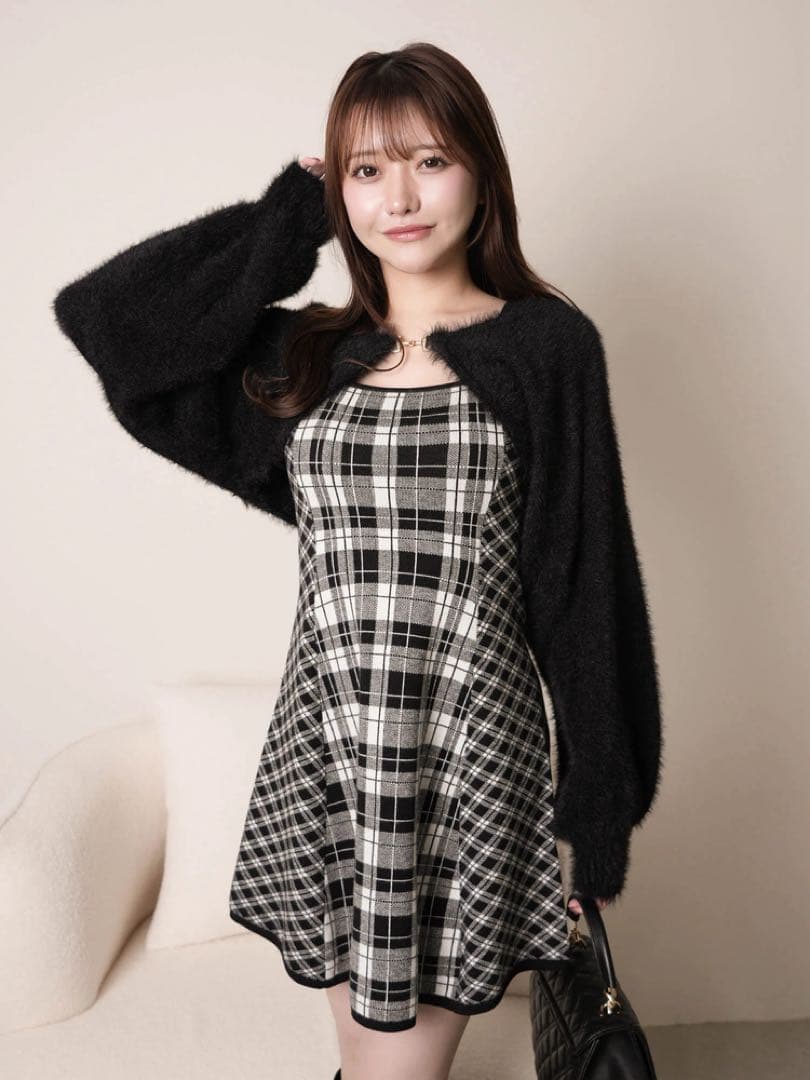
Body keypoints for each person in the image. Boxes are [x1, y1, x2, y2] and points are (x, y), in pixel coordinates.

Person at [52, 41, 662, 1080]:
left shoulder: (545, 348)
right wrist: (285, 219)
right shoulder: (309, 356)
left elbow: (583, 584)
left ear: (480, 172)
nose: (400, 198)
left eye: (430, 160)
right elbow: (109, 324)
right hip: (328, 752)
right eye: (367, 169)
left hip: (470, 755)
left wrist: (597, 812)